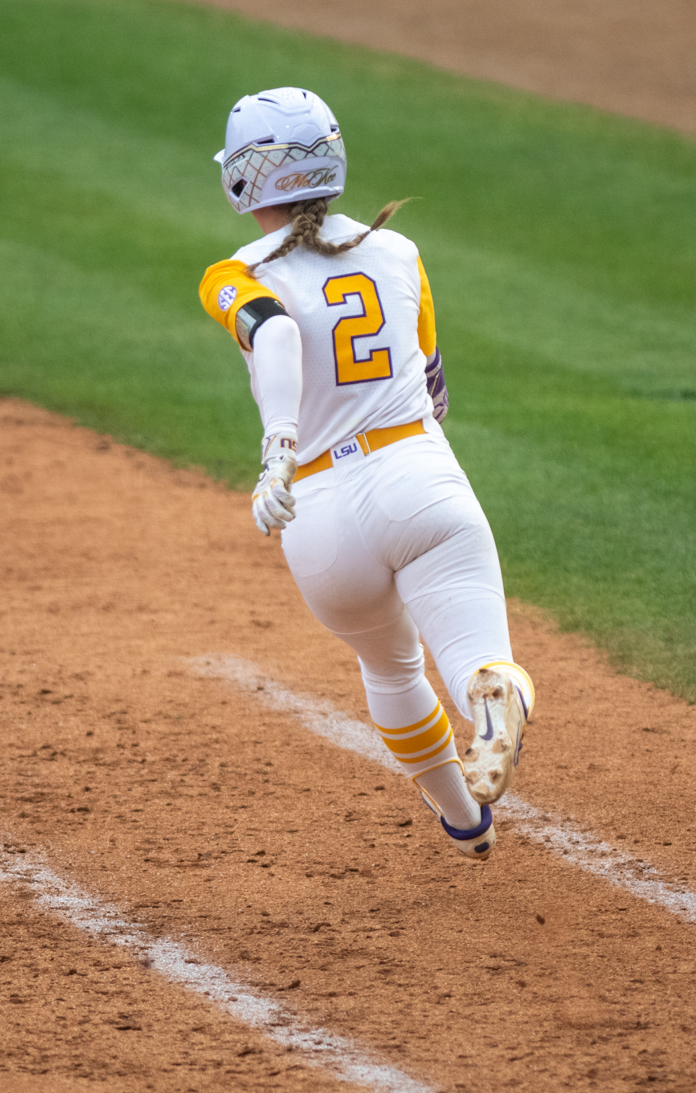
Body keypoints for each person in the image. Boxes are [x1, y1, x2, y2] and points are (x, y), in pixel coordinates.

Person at [196, 88, 533, 859]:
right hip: (418, 476)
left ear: (244, 179)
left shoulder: (232, 272)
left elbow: (275, 330)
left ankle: (462, 819)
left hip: (316, 513)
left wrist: (280, 441)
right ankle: (494, 691)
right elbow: (436, 388)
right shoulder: (400, 253)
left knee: (388, 662)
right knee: (476, 657)